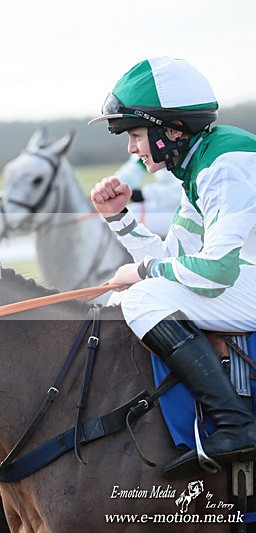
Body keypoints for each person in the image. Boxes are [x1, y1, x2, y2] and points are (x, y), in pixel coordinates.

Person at [88, 56, 256, 478]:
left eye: (136, 135)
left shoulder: (225, 165)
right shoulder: (197, 165)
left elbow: (216, 271)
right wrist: (119, 218)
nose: (131, 149)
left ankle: (236, 424)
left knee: (142, 296)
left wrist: (141, 274)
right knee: (133, 294)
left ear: (174, 130)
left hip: (243, 280)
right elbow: (174, 261)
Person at [111, 154, 182, 238]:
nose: (131, 149)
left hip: (185, 208)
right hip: (163, 204)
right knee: (115, 215)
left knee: (123, 220)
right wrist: (111, 188)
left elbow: (184, 189)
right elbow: (130, 172)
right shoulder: (147, 150)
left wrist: (144, 194)